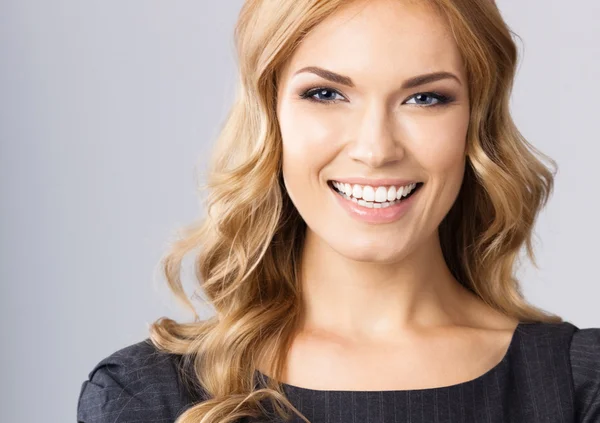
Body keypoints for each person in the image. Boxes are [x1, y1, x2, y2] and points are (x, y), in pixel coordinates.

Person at [77, 0, 600, 422]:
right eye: (326, 93)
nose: (376, 149)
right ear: (270, 115)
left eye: (425, 99)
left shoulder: (578, 386)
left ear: (475, 124)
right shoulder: (148, 397)